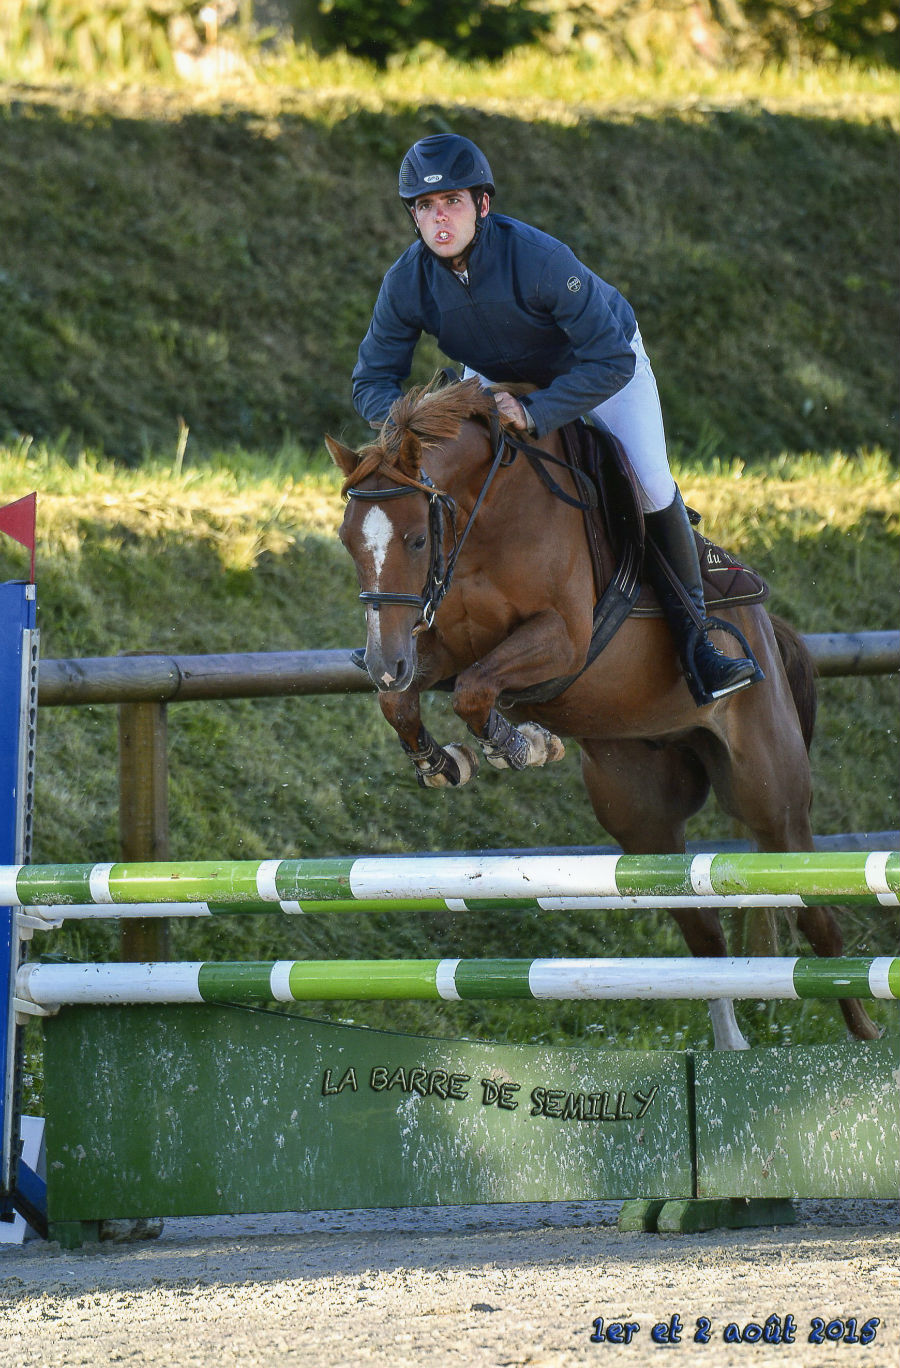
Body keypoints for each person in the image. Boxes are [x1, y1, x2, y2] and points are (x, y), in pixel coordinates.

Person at [351, 133, 757, 704]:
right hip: (496, 373)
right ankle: (427, 623)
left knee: (648, 482)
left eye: (452, 203)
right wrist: (406, 431)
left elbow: (610, 358)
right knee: (453, 478)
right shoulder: (406, 281)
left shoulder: (538, 259)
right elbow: (372, 382)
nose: (439, 220)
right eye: (424, 207)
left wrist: (539, 409)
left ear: (483, 205)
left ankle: (699, 644)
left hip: (595, 362)